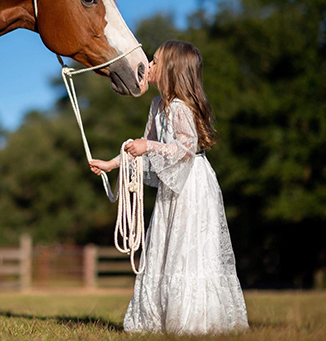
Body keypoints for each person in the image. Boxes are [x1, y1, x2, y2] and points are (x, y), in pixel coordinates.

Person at [90, 40, 249, 335]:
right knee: (166, 246)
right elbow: (143, 145)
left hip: (192, 184)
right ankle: (161, 319)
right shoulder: (156, 106)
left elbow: (185, 149)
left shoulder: (179, 108)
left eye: (154, 61)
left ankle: (195, 320)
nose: (148, 66)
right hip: (172, 185)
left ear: (170, 70)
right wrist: (113, 164)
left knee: (189, 246)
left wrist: (148, 145)